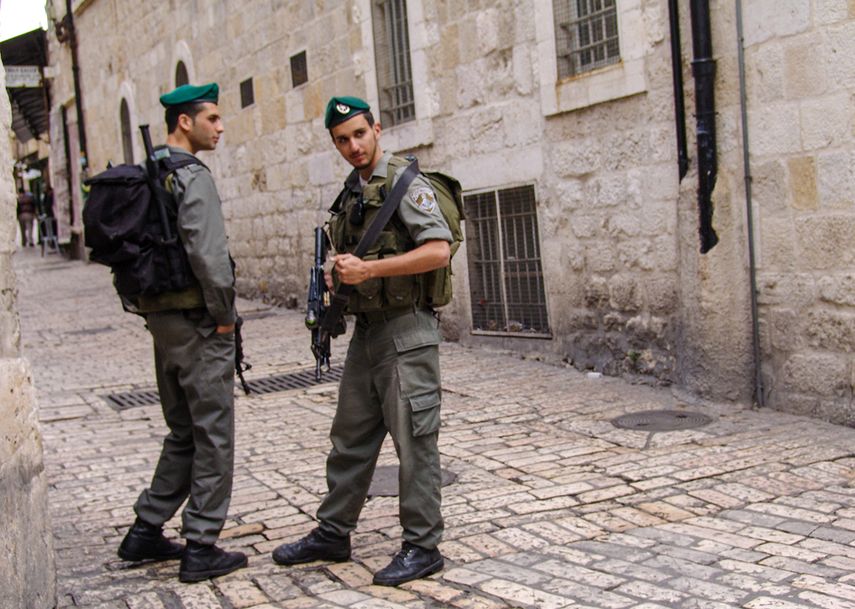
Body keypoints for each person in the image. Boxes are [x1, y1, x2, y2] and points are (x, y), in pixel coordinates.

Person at [272, 96, 452, 587]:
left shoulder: (403, 183)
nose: (352, 146)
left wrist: (369, 268)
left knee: (414, 442)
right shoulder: (354, 191)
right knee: (349, 438)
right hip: (369, 331)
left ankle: (423, 545)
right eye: (342, 140)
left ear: (377, 128)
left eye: (359, 134)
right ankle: (333, 531)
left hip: (407, 330)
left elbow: (438, 250)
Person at [116, 82, 247, 583]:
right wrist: (226, 316)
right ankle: (201, 544)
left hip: (162, 323)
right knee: (213, 433)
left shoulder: (151, 174)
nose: (219, 126)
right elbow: (209, 257)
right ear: (185, 123)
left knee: (183, 431)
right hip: (198, 323)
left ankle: (146, 529)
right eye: (211, 118)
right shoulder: (191, 176)